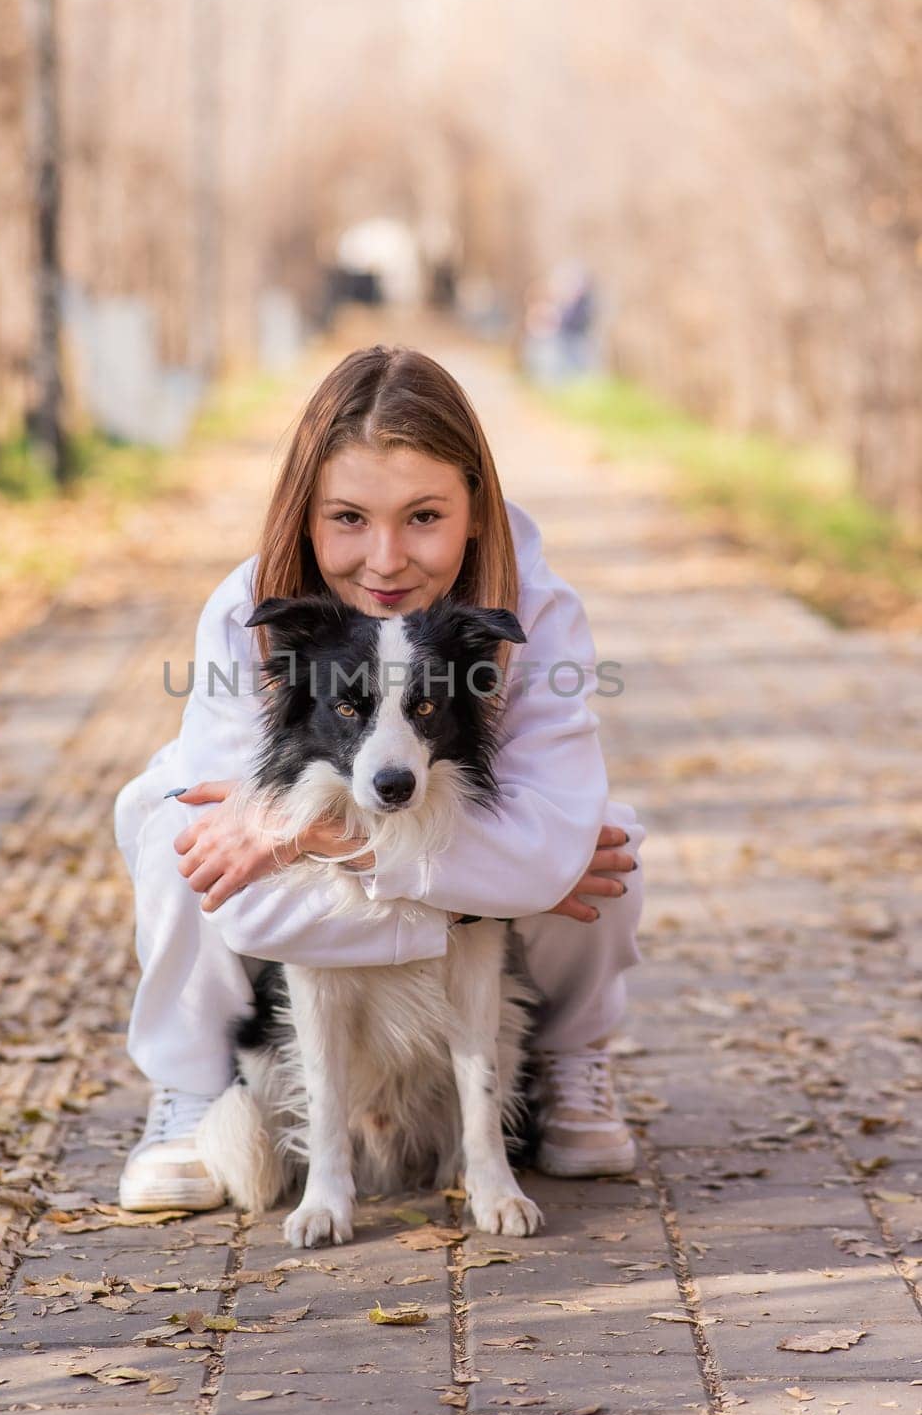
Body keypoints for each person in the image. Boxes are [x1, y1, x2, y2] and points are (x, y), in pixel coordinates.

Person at [113, 345, 645, 1211]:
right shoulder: (252, 613)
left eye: (424, 516)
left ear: (476, 508)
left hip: (415, 870)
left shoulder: (535, 609)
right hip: (390, 921)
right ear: (305, 516)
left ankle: (564, 1063)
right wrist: (489, 893)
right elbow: (241, 893)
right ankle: (192, 1089)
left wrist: (319, 839)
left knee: (605, 845)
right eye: (350, 518)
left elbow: (555, 844)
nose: (387, 559)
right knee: (168, 819)